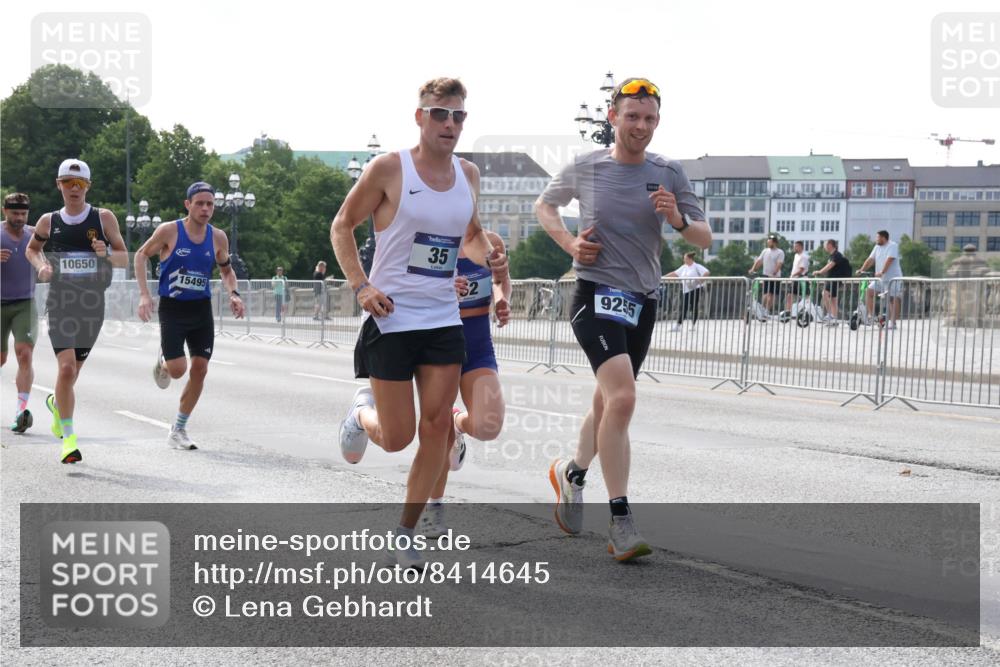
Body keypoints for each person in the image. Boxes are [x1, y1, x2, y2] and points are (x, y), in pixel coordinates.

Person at [331, 77, 508, 570]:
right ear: (419, 117)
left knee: (438, 430)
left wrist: (487, 253)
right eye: (439, 114)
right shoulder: (390, 168)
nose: (449, 124)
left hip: (442, 320)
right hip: (391, 319)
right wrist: (361, 286)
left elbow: (468, 237)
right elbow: (342, 224)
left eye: (458, 116)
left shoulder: (468, 175)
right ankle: (359, 416)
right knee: (397, 436)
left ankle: (404, 531)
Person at [536, 77, 710, 561]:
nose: (641, 126)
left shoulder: (668, 172)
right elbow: (544, 206)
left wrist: (676, 219)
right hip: (594, 293)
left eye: (649, 118)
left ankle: (572, 474)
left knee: (607, 401)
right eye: (632, 116)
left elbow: (704, 239)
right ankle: (621, 521)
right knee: (625, 397)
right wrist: (570, 243)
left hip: (643, 300)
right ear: (612, 118)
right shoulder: (587, 167)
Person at [24, 159, 128, 464]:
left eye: (79, 183)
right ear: (59, 185)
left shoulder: (103, 218)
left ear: (87, 187)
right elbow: (32, 249)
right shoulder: (48, 221)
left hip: (92, 306)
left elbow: (123, 258)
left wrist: (107, 253)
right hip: (60, 303)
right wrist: (41, 265)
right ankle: (68, 440)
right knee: (66, 369)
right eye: (67, 182)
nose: (74, 188)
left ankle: (57, 405)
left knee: (73, 374)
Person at [136, 182, 246, 450]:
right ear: (188, 205)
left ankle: (179, 429)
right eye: (200, 203)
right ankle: (164, 361)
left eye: (210, 204)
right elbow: (141, 255)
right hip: (173, 309)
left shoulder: (218, 237)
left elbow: (226, 269)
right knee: (177, 371)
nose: (206, 208)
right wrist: (144, 294)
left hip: (200, 309)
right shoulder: (169, 231)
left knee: (200, 368)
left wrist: (234, 293)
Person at [419, 231, 512, 537]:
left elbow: (501, 280)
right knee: (436, 430)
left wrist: (502, 301)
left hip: (477, 343)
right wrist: (442, 289)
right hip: (439, 340)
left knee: (489, 425)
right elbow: (407, 284)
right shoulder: (429, 238)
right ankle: (433, 509)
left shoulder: (490, 242)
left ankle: (458, 422)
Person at [1, 193, 38, 433]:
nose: (19, 218)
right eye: (15, 213)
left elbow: (51, 252)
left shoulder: (34, 235)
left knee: (24, 354)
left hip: (25, 302)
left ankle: (20, 411)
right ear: (5, 211)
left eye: (23, 214)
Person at [857, 230, 904, 329]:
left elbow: (889, 260)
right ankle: (873, 317)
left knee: (892, 299)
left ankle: (893, 323)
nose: (876, 239)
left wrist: (882, 272)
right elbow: (870, 259)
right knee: (869, 291)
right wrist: (861, 269)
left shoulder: (892, 245)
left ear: (883, 237)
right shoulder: (877, 247)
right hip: (880, 279)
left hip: (892, 278)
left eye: (877, 237)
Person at [665, 251, 709, 332]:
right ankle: (678, 326)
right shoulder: (684, 267)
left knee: (693, 306)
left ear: (690, 259)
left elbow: (706, 272)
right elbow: (675, 273)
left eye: (685, 258)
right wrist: (663, 277)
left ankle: (693, 325)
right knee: (683, 306)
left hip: (696, 289)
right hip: (686, 290)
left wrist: (699, 281)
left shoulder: (696, 266)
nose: (684, 260)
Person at [812, 238, 852, 323]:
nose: (824, 247)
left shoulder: (836, 255)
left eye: (825, 244)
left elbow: (830, 265)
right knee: (833, 299)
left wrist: (820, 272)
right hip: (832, 279)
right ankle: (834, 319)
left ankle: (830, 315)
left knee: (825, 293)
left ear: (830, 245)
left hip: (834, 279)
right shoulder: (832, 255)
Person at [748, 234, 784, 313]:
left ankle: (767, 310)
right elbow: (759, 261)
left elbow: (779, 264)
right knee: (765, 294)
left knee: (771, 295)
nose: (768, 243)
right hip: (766, 275)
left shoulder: (780, 252)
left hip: (775, 276)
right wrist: (753, 269)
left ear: (774, 242)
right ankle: (762, 309)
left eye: (770, 242)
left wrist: (774, 272)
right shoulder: (765, 251)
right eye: (768, 241)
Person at [785, 240, 809, 313]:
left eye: (796, 246)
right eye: (794, 246)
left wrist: (793, 275)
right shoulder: (796, 256)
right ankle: (788, 311)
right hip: (795, 279)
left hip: (801, 279)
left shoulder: (804, 256)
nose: (794, 248)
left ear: (801, 247)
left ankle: (807, 312)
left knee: (805, 297)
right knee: (789, 296)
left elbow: (801, 269)